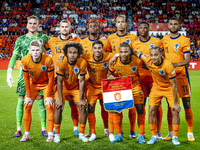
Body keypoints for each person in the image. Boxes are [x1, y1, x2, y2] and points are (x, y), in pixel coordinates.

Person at [6, 15, 50, 137]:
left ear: (38, 25)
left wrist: (72, 37)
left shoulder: (43, 37)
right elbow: (14, 55)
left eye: (34, 23)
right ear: (27, 25)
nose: (32, 25)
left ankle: (44, 128)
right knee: (21, 101)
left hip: (39, 75)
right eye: (30, 23)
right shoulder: (20, 40)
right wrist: (9, 71)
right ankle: (19, 128)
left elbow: (57, 43)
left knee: (40, 102)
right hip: (23, 75)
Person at [132, 46, 181, 145]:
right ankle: (154, 136)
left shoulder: (168, 65)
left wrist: (175, 103)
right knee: (151, 110)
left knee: (175, 111)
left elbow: (174, 84)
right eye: (152, 55)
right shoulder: (148, 59)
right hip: (157, 88)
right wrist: (118, 54)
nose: (153, 57)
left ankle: (175, 137)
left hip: (169, 88)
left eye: (156, 55)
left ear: (161, 55)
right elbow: (137, 53)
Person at [45, 19, 81, 137]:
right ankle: (56, 129)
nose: (64, 28)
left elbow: (84, 49)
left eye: (66, 27)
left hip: (72, 77)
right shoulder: (52, 41)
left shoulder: (75, 40)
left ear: (70, 28)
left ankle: (76, 128)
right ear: (59, 29)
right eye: (62, 26)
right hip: (57, 78)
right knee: (58, 104)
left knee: (73, 105)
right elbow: (42, 46)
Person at [162, 17, 195, 142]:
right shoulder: (164, 39)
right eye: (171, 24)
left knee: (186, 103)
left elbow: (187, 60)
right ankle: (170, 133)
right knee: (170, 105)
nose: (173, 26)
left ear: (179, 25)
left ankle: (190, 132)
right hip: (169, 77)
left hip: (182, 76)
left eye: (176, 24)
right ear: (168, 26)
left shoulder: (184, 40)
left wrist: (175, 65)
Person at [131, 21, 164, 139]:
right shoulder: (134, 44)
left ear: (148, 29)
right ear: (138, 29)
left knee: (157, 105)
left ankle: (158, 131)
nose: (143, 29)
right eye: (141, 28)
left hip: (155, 78)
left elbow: (163, 57)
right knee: (141, 106)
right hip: (140, 78)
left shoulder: (156, 42)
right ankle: (142, 131)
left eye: (145, 27)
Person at [107, 42, 145, 143]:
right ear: (119, 53)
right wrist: (110, 77)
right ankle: (119, 134)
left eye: (126, 52)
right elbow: (108, 74)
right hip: (122, 88)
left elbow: (147, 66)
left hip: (135, 87)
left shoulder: (137, 61)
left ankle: (141, 135)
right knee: (117, 110)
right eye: (121, 52)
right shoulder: (115, 62)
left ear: (130, 52)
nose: (123, 54)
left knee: (140, 109)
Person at [107, 15, 138, 138]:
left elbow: (134, 53)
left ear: (126, 24)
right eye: (118, 22)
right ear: (116, 24)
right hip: (115, 76)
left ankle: (132, 131)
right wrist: (115, 55)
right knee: (116, 105)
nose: (120, 24)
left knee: (132, 106)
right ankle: (117, 131)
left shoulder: (133, 37)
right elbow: (108, 54)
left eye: (122, 22)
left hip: (129, 74)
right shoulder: (110, 37)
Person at [20, 40, 54, 142]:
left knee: (49, 106)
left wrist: (48, 96)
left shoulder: (48, 59)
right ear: (30, 50)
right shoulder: (25, 60)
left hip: (46, 84)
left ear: (41, 50)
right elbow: (26, 78)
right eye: (33, 50)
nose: (35, 52)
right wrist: (28, 96)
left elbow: (51, 78)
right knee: (27, 105)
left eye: (37, 50)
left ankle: (51, 135)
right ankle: (26, 134)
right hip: (33, 84)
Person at [80, 21, 110, 137]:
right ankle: (90, 130)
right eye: (91, 26)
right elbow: (78, 55)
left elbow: (109, 55)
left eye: (95, 26)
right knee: (90, 107)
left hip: (103, 80)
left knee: (104, 106)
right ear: (88, 28)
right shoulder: (83, 42)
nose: (93, 28)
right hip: (89, 80)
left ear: (98, 28)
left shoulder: (105, 41)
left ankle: (107, 129)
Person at [54, 42, 88, 143]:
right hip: (63, 89)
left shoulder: (82, 62)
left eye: (74, 52)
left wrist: (81, 98)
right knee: (58, 107)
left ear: (78, 54)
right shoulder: (61, 62)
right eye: (70, 52)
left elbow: (82, 81)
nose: (72, 55)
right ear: (66, 53)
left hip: (75, 89)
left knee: (82, 106)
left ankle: (81, 134)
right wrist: (60, 99)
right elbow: (59, 82)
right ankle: (57, 135)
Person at [81, 40, 114, 141]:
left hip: (105, 86)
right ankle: (93, 133)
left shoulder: (108, 56)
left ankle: (109, 131)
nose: (97, 50)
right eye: (95, 48)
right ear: (92, 49)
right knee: (90, 108)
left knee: (109, 108)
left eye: (99, 48)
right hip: (93, 87)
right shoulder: (87, 57)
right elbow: (74, 55)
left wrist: (116, 55)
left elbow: (121, 54)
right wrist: (62, 56)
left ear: (103, 49)